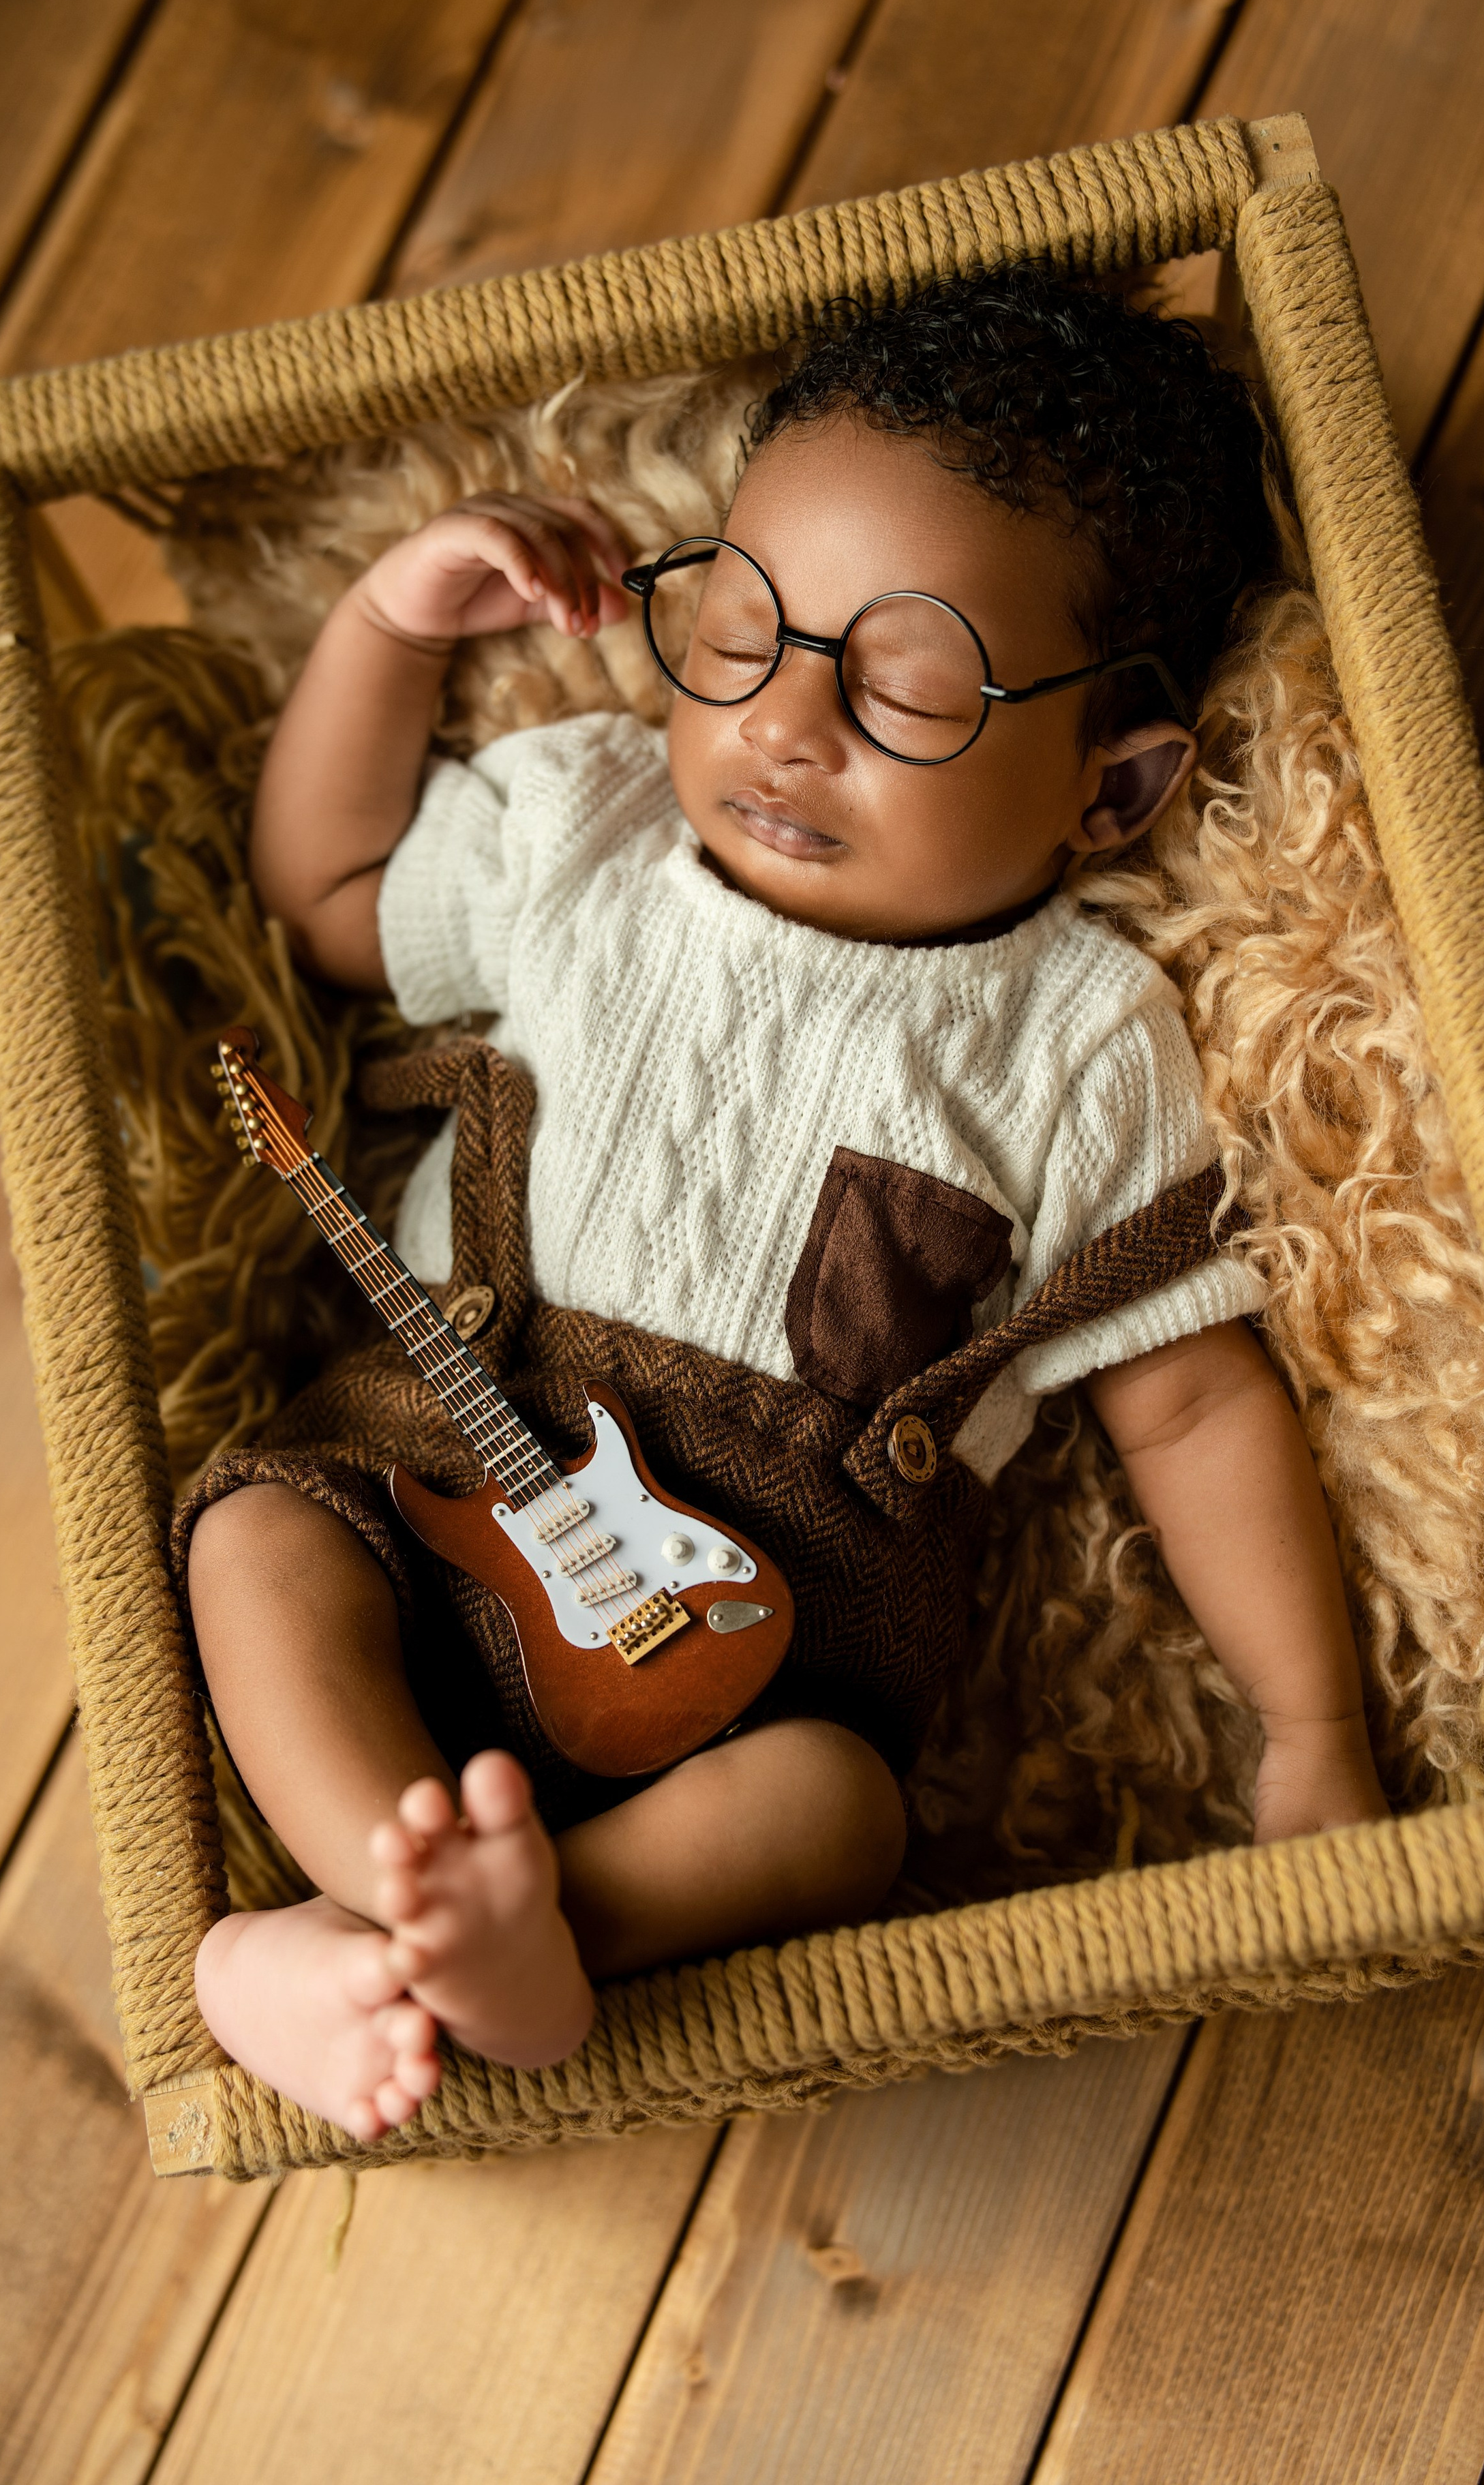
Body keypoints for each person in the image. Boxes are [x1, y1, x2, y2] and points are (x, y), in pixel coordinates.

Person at [182, 268, 1390, 2141]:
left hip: (780, 1624)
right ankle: (385, 1898)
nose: (789, 720)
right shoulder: (583, 829)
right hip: (433, 1480)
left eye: (909, 681)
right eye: (741, 631)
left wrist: (1310, 1729)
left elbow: (1192, 1397)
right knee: (258, 1547)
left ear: (1112, 789)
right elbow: (325, 892)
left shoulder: (1077, 1040)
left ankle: (492, 1944)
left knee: (836, 1812)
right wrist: (387, 620)